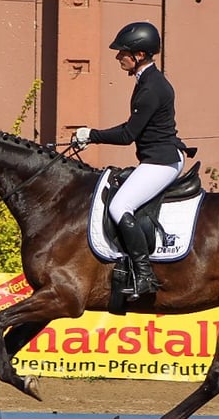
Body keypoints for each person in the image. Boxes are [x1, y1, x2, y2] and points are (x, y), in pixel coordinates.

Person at [74, 21, 187, 300]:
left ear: (139, 55)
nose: (117, 57)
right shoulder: (146, 81)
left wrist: (91, 135)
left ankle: (145, 275)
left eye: (122, 52)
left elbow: (128, 135)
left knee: (119, 206)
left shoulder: (151, 88)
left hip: (160, 162)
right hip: (157, 157)